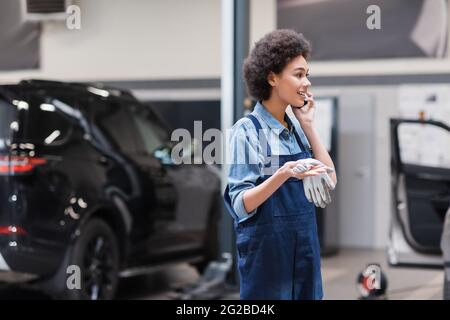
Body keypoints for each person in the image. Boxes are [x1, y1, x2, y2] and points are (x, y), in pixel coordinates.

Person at [223, 29, 337, 300]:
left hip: (305, 253)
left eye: (307, 74)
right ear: (272, 77)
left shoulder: (297, 130)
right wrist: (283, 174)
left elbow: (330, 179)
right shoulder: (247, 132)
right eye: (298, 74)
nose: (307, 82)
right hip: (268, 262)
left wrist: (309, 126)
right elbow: (240, 204)